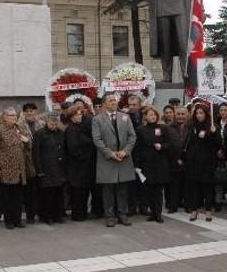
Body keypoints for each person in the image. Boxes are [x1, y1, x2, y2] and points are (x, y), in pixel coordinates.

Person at [92, 92, 137, 227]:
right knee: (108, 190)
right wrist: (110, 153)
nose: (113, 102)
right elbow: (97, 139)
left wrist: (125, 151)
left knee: (122, 189)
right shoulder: (97, 119)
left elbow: (132, 136)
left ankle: (122, 214)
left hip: (123, 158)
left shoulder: (125, 117)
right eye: (110, 101)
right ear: (104, 104)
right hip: (107, 159)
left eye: (114, 100)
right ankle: (110, 215)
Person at [0, 107, 33, 229]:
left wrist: (26, 141)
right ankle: (9, 220)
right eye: (11, 116)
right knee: (7, 195)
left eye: (15, 116)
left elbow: (28, 144)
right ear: (4, 117)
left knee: (17, 196)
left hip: (19, 167)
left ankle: (17, 219)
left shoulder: (18, 128)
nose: (14, 118)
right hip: (6, 167)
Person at [134, 107, 171, 223]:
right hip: (147, 164)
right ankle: (152, 212)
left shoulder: (163, 128)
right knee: (149, 189)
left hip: (160, 163)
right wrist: (137, 164)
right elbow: (137, 148)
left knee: (158, 190)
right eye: (150, 115)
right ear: (146, 117)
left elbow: (169, 144)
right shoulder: (140, 130)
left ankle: (158, 213)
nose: (153, 117)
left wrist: (162, 146)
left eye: (154, 115)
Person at [184, 104, 219, 222]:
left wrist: (213, 134)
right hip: (193, 162)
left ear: (206, 114)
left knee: (207, 187)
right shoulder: (191, 126)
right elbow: (188, 143)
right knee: (194, 187)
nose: (199, 116)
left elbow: (217, 145)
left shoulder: (212, 126)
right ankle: (194, 210)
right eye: (197, 113)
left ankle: (208, 210)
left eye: (201, 113)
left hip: (207, 162)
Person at [34, 113, 66, 224]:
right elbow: (36, 153)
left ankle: (58, 215)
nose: (53, 125)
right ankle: (46, 216)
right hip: (46, 169)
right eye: (51, 123)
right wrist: (39, 170)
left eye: (55, 123)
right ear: (47, 122)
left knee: (58, 193)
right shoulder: (40, 134)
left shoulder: (61, 133)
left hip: (58, 168)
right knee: (47, 194)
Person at [65, 108, 95, 221]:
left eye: (80, 114)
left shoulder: (82, 127)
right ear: (71, 117)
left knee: (84, 191)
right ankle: (78, 214)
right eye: (77, 115)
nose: (79, 116)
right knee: (78, 192)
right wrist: (85, 157)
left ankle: (82, 213)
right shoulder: (71, 129)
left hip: (85, 166)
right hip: (77, 167)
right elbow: (73, 149)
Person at [167, 106, 189, 213]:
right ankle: (173, 206)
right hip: (173, 161)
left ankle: (188, 205)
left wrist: (184, 158)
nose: (180, 116)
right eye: (178, 114)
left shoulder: (191, 127)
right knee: (174, 185)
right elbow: (167, 145)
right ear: (175, 115)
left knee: (187, 185)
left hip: (188, 161)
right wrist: (176, 158)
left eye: (183, 114)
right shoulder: (168, 127)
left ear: (187, 115)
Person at [214, 102, 227, 211]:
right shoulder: (215, 124)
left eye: (225, 110)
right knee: (218, 178)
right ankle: (218, 201)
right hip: (217, 156)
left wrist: (226, 152)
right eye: (221, 110)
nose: (223, 112)